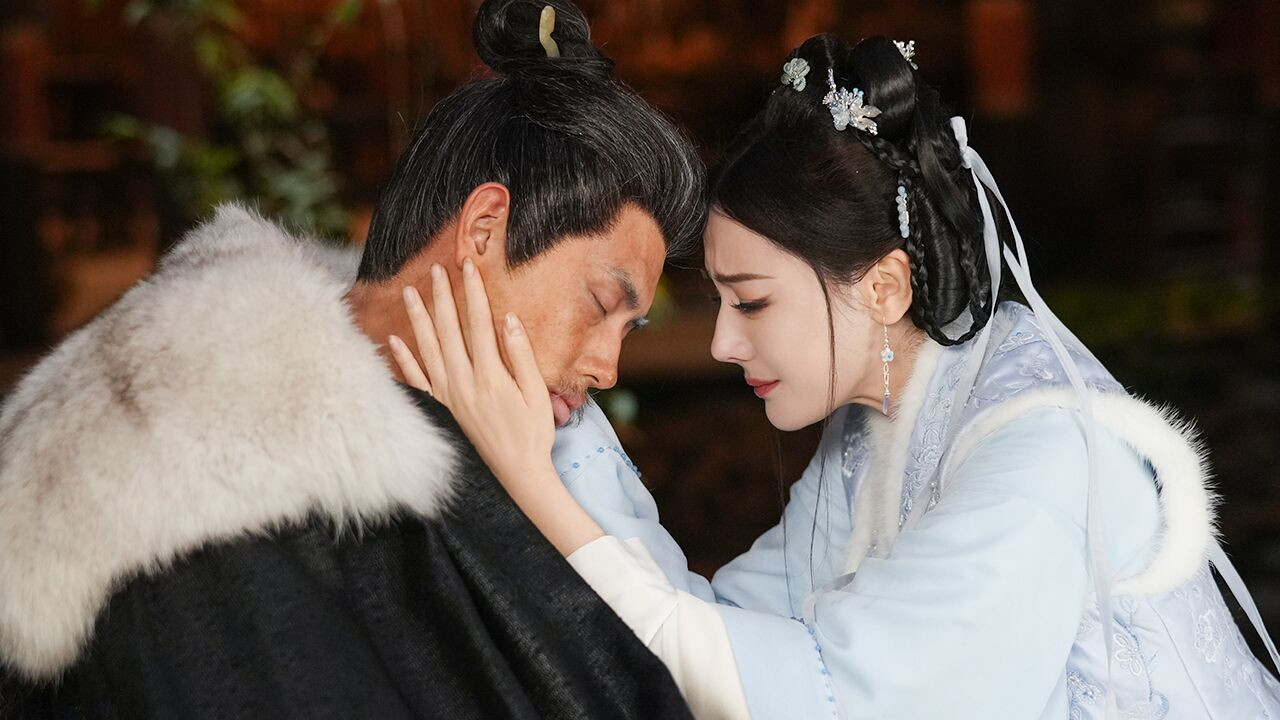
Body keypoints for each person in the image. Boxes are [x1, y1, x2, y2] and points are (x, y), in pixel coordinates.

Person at [392, 33, 1280, 719]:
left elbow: (821, 701)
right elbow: (719, 634)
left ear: (884, 287)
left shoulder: (1042, 454)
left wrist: (529, 475)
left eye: (752, 302)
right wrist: (551, 405)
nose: (722, 344)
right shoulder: (878, 425)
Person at [0, 1, 704, 718]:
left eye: (631, 328)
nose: (608, 368)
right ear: (484, 229)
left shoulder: (537, 452)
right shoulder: (194, 477)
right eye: (600, 302)